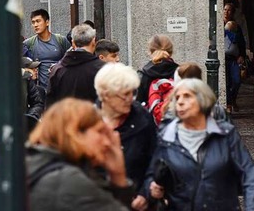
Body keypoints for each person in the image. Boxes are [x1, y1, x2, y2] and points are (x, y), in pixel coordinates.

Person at [145, 79, 254, 210]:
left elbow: (249, 176)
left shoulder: (224, 133)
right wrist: (151, 187)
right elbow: (151, 174)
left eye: (187, 96)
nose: (180, 102)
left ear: (203, 101)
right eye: (177, 98)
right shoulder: (167, 136)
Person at [27, 98, 134, 210]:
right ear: (76, 133)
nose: (107, 142)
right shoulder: (70, 181)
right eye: (100, 132)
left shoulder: (37, 162)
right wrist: (119, 176)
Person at [94, 63, 157, 210]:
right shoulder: (88, 122)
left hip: (135, 203)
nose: (130, 99)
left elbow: (155, 158)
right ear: (105, 94)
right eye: (124, 94)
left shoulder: (141, 117)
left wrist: (145, 193)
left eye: (132, 93)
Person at [46, 24, 105, 107]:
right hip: (94, 118)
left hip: (65, 118)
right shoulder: (103, 69)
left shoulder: (57, 70)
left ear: (73, 42)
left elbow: (50, 103)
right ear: (93, 41)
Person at [22, 9, 70, 92]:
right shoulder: (29, 43)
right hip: (40, 90)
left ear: (47, 22)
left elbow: (70, 60)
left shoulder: (61, 40)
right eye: (33, 22)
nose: (35, 25)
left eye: (38, 21)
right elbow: (20, 62)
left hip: (60, 89)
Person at [136, 35, 178, 105]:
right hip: (175, 114)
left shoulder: (143, 74)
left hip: (149, 114)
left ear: (150, 51)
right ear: (171, 52)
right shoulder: (180, 72)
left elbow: (138, 103)